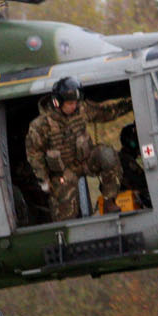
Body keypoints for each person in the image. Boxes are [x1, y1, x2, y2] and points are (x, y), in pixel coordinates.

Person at [25, 77, 132, 222]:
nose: (74, 106)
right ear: (58, 102)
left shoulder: (82, 109)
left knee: (107, 155)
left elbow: (106, 112)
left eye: (75, 102)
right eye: (70, 103)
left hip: (87, 160)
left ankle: (109, 201)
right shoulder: (40, 125)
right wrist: (44, 179)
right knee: (65, 216)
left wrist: (131, 104)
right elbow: (34, 154)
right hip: (64, 173)